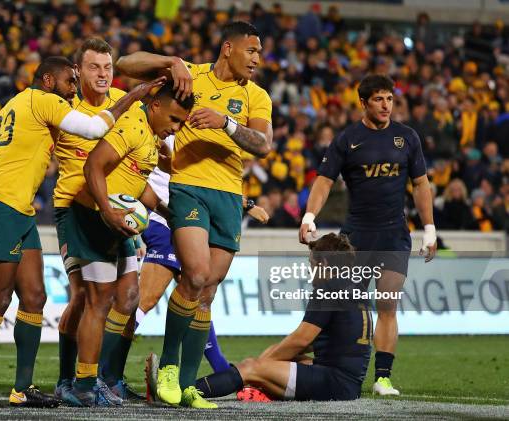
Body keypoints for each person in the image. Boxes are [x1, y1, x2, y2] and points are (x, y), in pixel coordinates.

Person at [0, 55, 161, 408]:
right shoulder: (46, 100)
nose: (73, 90)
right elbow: (97, 130)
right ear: (49, 80)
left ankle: (23, 388)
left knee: (35, 297)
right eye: (70, 82)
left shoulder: (16, 102)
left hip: (20, 211)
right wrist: (134, 95)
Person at [116, 20, 273, 408]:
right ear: (227, 48)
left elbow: (263, 144)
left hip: (229, 196)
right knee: (197, 274)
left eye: (259, 52)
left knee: (206, 293)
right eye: (251, 51)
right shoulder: (191, 76)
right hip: (189, 188)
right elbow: (124, 63)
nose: (257, 59)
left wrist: (227, 123)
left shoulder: (257, 96)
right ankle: (169, 365)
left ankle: (187, 385)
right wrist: (171, 61)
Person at [298, 74, 437, 396]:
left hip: (394, 235)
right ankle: (333, 368)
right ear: (363, 102)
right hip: (356, 237)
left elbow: (421, 185)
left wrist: (429, 230)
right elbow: (323, 180)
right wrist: (308, 216)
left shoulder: (407, 138)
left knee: (387, 305)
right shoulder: (348, 140)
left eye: (389, 98)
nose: (386, 105)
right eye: (378, 99)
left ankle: (383, 377)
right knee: (345, 303)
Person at [61, 82, 194, 407]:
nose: (175, 129)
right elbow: (93, 164)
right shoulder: (134, 127)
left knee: (129, 296)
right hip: (91, 216)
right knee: (98, 299)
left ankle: (103, 378)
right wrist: (107, 212)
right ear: (156, 106)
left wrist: (169, 215)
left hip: (115, 223)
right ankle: (83, 384)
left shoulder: (151, 139)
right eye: (174, 120)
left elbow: (141, 189)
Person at [134, 136, 270, 403]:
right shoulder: (163, 130)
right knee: (147, 300)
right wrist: (133, 228)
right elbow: (135, 174)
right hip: (163, 219)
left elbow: (209, 182)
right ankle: (106, 372)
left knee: (197, 296)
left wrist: (247, 205)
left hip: (184, 217)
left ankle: (204, 376)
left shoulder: (194, 129)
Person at [52, 37, 148, 403]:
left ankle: (107, 378)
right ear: (78, 71)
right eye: (94, 67)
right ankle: (71, 381)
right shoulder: (63, 109)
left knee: (128, 295)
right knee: (84, 297)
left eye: (108, 67)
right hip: (74, 211)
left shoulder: (128, 104)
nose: (103, 74)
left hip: (115, 212)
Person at [192, 233, 372, 402]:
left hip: (333, 382)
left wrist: (264, 363)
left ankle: (190, 391)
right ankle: (260, 391)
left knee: (250, 367)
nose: (310, 272)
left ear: (323, 264)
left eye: (311, 264)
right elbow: (333, 339)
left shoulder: (328, 287)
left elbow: (301, 340)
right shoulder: (356, 287)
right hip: (348, 382)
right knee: (278, 356)